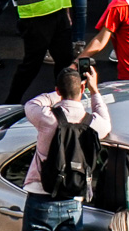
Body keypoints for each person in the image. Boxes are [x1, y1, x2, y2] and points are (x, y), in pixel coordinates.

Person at [21, 65, 113, 231]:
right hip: (73, 199)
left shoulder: (47, 118)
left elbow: (31, 104)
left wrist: (55, 95)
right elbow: (106, 124)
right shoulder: (92, 124)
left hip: (40, 196)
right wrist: (94, 91)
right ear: (82, 88)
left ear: (58, 90)